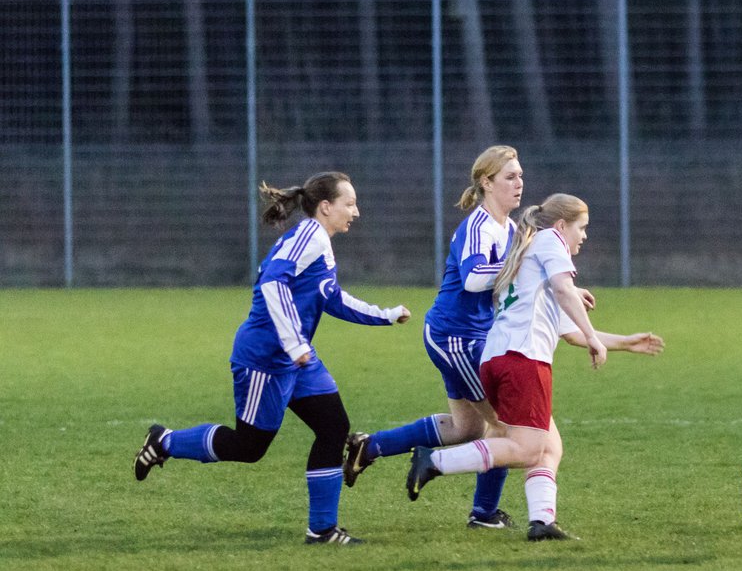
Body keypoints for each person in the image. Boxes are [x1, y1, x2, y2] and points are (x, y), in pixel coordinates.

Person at [132, 171, 411, 545]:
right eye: (350, 203)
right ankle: (165, 441)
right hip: (265, 358)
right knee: (248, 448)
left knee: (333, 427)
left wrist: (385, 315)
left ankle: (322, 529)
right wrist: (295, 343)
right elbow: (272, 282)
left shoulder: (320, 242)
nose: (356, 211)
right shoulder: (309, 236)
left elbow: (331, 297)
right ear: (326, 207)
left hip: (295, 360)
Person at [342, 146, 592, 529]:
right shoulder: (479, 226)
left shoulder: (509, 228)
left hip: (474, 336)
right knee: (507, 427)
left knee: (466, 428)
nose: (519, 183)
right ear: (486, 183)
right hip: (457, 336)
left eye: (521, 176)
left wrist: (560, 291)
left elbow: (517, 284)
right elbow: (475, 278)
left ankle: (370, 446)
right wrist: (520, 264)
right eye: (509, 177)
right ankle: (484, 513)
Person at [404, 193, 664, 540]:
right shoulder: (550, 242)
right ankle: (433, 462)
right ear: (561, 226)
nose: (583, 236)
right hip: (523, 361)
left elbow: (567, 330)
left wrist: (624, 342)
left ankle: (541, 522)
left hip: (499, 358)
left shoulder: (529, 256)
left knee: (549, 446)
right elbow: (563, 290)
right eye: (581, 228)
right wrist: (592, 333)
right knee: (527, 449)